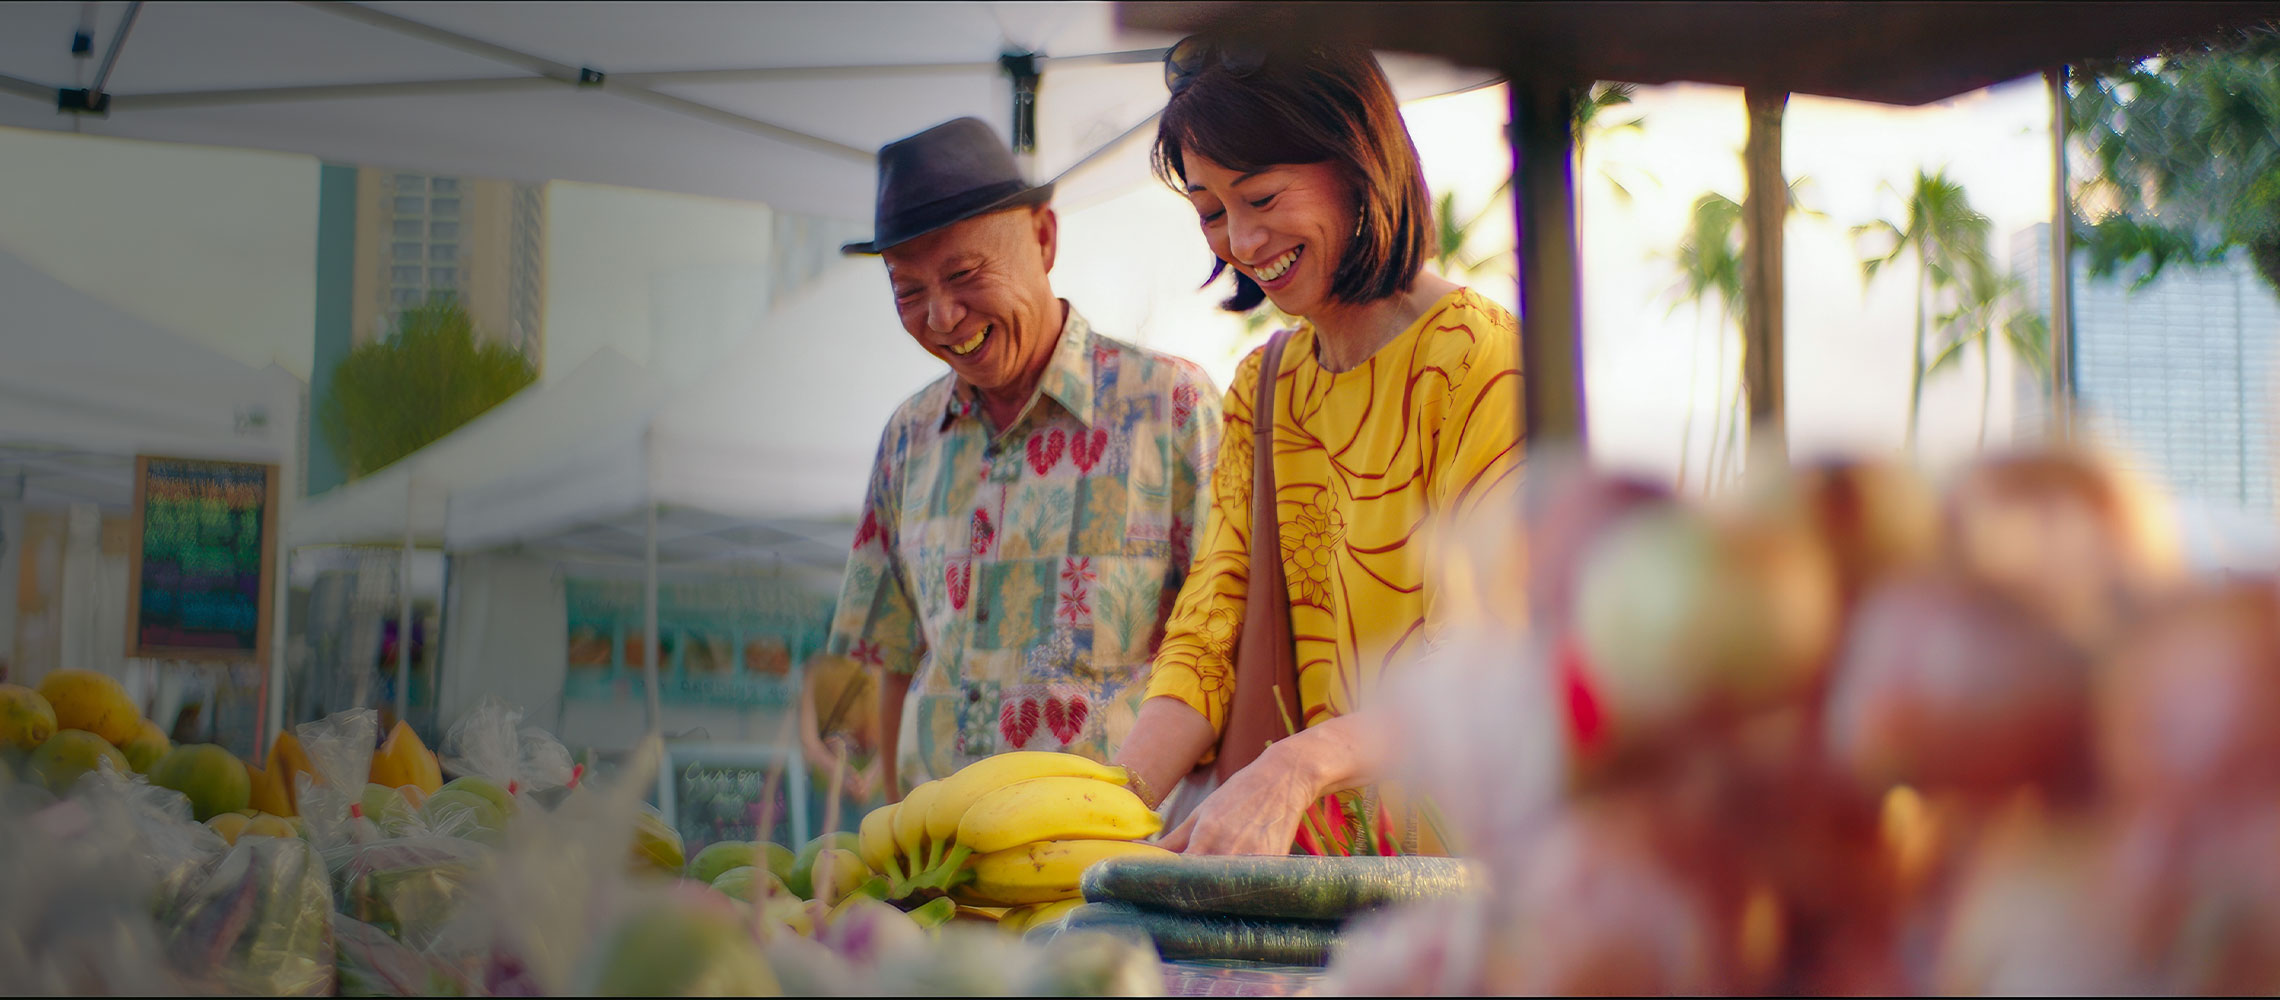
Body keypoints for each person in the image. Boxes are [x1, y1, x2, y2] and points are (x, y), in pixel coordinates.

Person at [1113, 35, 1525, 856]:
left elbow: (1485, 656)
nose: (1241, 239)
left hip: (1461, 879)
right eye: (1210, 213)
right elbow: (1207, 639)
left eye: (1261, 197)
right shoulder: (1265, 391)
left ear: (1355, 161)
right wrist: (1096, 816)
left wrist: (1298, 767)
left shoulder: (1478, 360)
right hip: (1305, 880)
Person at [828, 118, 1225, 797]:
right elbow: (865, 664)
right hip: (940, 878)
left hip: (1115, 872)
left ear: (1043, 238)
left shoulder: (1172, 407)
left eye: (963, 274)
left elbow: (1228, 647)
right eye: (909, 292)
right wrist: (872, 831)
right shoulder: (908, 436)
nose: (944, 316)